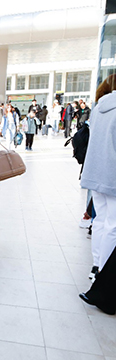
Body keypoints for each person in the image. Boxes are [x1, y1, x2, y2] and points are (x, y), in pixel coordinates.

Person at [80, 74, 116, 289]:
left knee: (100, 221)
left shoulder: (99, 107)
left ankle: (96, 266)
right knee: (113, 225)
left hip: (96, 171)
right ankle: (103, 272)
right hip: (112, 173)